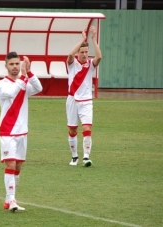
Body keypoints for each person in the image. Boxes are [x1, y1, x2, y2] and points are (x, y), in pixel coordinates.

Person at [0, 52, 43, 212]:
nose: (15, 67)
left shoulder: (24, 83)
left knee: (18, 167)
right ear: (6, 66)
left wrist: (29, 72)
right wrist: (23, 78)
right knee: (11, 163)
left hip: (22, 131)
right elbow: (10, 93)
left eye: (17, 64)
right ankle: (12, 200)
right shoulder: (2, 84)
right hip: (7, 130)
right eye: (12, 64)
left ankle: (9, 200)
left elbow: (38, 87)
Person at [66, 26, 102, 167]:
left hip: (86, 101)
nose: (85, 54)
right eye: (82, 52)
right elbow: (70, 54)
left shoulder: (90, 65)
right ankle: (74, 157)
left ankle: (86, 157)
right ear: (78, 53)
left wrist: (93, 39)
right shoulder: (72, 64)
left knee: (87, 128)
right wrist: (82, 40)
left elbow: (99, 57)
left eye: (87, 52)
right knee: (72, 130)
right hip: (72, 100)